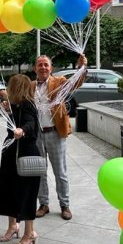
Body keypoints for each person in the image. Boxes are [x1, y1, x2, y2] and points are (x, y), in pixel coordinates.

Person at [34, 54, 87, 220]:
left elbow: (76, 83)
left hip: (55, 133)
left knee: (60, 172)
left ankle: (65, 205)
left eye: (46, 65)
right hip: (36, 135)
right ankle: (43, 204)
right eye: (40, 65)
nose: (43, 67)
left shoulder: (59, 81)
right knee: (39, 172)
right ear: (35, 68)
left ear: (51, 68)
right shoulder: (30, 86)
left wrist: (82, 68)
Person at [0, 75, 41, 244]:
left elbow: (30, 123)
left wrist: (22, 130)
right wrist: (9, 111)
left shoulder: (28, 105)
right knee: (9, 190)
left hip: (25, 155)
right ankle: (13, 226)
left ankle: (29, 233)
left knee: (26, 193)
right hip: (11, 154)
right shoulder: (14, 105)